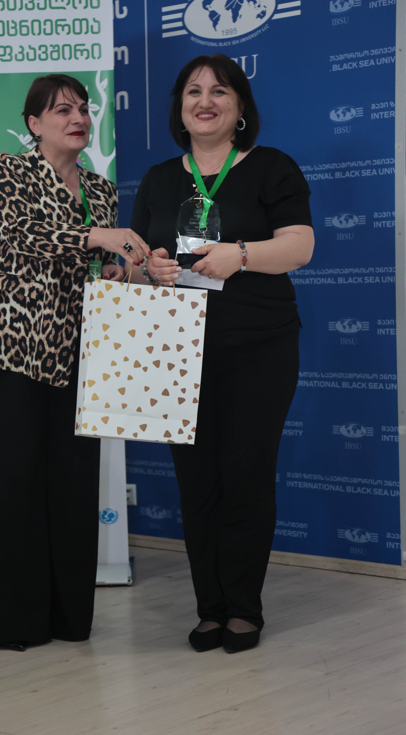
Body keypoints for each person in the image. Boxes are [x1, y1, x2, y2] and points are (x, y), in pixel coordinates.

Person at [128, 55, 314, 654]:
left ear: (240, 109)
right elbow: (131, 265)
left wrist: (241, 254)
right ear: (180, 108)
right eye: (193, 91)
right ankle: (209, 608)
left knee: (247, 475)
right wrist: (150, 269)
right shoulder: (159, 179)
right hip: (176, 348)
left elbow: (300, 246)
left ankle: (243, 609)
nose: (204, 101)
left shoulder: (271, 167)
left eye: (219, 91)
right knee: (197, 482)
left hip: (258, 346)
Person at [0, 74, 149, 651]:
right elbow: (20, 236)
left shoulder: (99, 189)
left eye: (83, 108)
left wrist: (118, 268)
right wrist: (100, 239)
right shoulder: (6, 169)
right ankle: (12, 622)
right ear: (34, 123)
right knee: (11, 482)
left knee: (73, 484)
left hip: (80, 351)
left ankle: (69, 617)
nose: (77, 118)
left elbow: (96, 262)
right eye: (61, 110)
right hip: (14, 348)